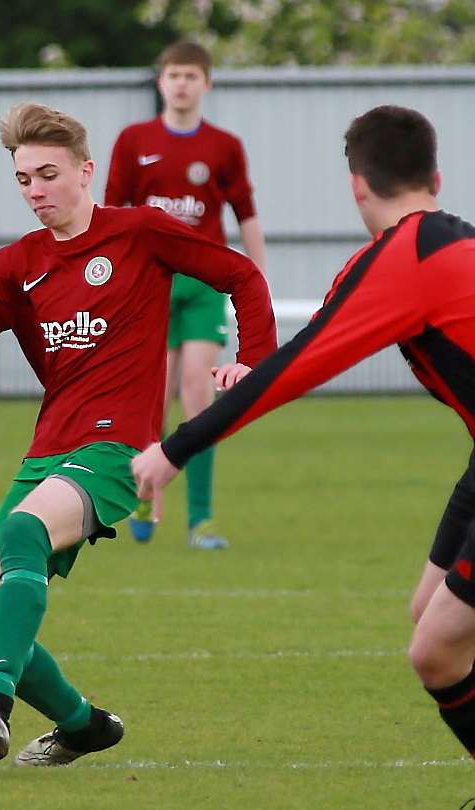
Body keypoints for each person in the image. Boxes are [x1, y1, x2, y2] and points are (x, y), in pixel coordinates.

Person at [0, 102, 276, 764]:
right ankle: (85, 725)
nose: (35, 191)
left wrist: (253, 358)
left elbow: (243, 276)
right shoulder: (17, 265)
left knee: (23, 536)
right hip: (49, 450)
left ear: (86, 172)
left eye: (47, 175)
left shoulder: (141, 232)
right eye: (23, 179)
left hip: (118, 450)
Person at [131, 104, 475, 761]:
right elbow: (296, 354)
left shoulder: (403, 260)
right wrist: (255, 369)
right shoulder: (443, 243)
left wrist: (173, 449)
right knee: (430, 611)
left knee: (436, 650)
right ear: (437, 175)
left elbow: (294, 370)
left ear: (355, 183)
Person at [105, 40, 268, 550]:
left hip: (202, 284)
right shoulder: (134, 140)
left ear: (206, 84)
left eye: (190, 76)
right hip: (149, 284)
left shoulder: (224, 146)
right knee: (153, 400)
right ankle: (142, 498)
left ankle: (200, 520)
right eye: (173, 74)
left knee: (198, 394)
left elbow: (246, 215)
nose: (181, 83)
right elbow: (111, 213)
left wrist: (256, 280)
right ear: (160, 82)